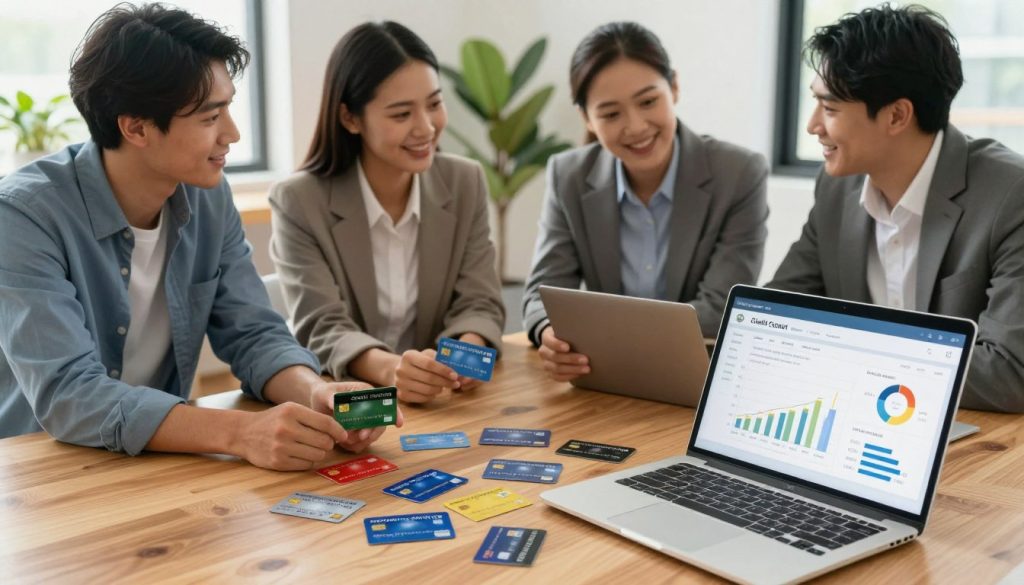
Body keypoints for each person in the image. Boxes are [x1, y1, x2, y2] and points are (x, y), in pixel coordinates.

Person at [0, 4, 398, 470]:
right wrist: (243, 433)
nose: (232, 133)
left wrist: (316, 392)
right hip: (43, 472)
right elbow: (70, 396)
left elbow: (253, 333)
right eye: (210, 118)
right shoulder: (23, 216)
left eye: (228, 107)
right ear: (136, 127)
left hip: (161, 458)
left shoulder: (208, 197)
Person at [767, 4, 1024, 413]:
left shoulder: (1011, 195)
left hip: (967, 443)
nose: (812, 125)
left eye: (830, 108)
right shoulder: (836, 190)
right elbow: (773, 319)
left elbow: (1008, 374)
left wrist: (841, 354)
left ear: (897, 115)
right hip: (860, 423)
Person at [269, 21, 505, 405]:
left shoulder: (465, 181)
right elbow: (321, 325)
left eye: (434, 103)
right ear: (350, 118)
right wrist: (391, 370)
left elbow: (478, 300)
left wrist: (465, 359)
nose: (426, 128)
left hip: (446, 402)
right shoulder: (299, 200)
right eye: (401, 114)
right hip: (353, 400)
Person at [522, 21, 769, 382]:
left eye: (648, 101)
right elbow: (542, 294)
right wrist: (551, 335)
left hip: (697, 380)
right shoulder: (568, 175)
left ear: (675, 87)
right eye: (610, 114)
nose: (635, 126)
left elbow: (721, 308)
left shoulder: (739, 173)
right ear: (586, 118)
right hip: (602, 381)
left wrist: (598, 335)